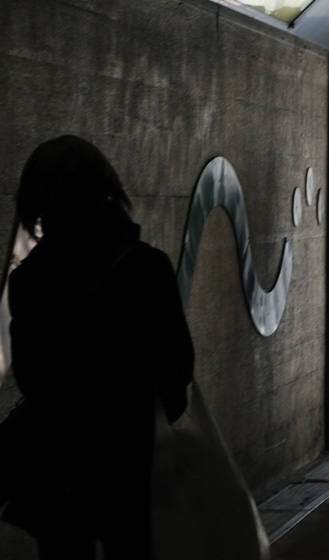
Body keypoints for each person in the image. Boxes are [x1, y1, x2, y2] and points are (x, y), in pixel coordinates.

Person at [2, 135, 194, 558]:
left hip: (57, 462)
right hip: (132, 456)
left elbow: (31, 375)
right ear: (106, 188)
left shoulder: (29, 279)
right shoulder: (147, 265)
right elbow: (176, 366)